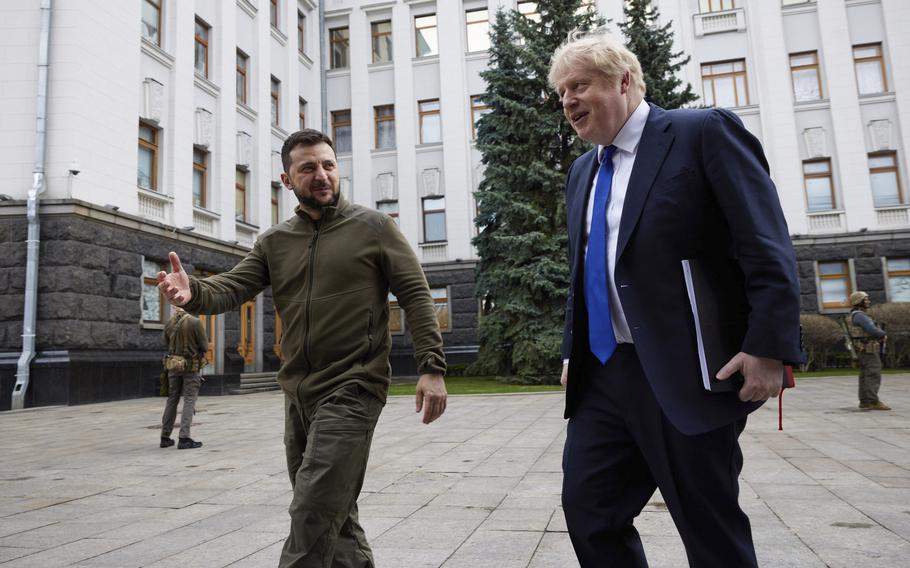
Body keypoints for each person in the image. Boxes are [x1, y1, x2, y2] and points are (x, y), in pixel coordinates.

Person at [549, 32, 803, 567]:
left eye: (580, 86)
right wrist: (574, 348)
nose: (568, 100)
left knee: (708, 525)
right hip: (604, 373)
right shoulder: (582, 172)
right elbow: (586, 270)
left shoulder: (700, 133)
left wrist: (769, 346)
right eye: (561, 91)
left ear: (623, 81)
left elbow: (764, 242)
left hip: (685, 369)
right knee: (590, 513)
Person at [156, 128, 447, 567]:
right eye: (308, 168)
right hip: (298, 394)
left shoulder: (374, 228)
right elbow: (232, 288)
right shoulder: (275, 242)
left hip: (354, 386)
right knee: (335, 513)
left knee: (312, 508)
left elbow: (416, 295)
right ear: (287, 179)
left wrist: (431, 366)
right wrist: (191, 292)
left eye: (328, 165)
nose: (322, 175)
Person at [160, 306, 208, 449]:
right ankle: (184, 437)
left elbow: (166, 343)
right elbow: (204, 346)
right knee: (189, 399)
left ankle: (165, 437)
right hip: (190, 366)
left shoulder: (169, 323)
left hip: (173, 365)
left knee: (172, 399)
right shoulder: (195, 322)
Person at [848, 291, 890, 410]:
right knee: (873, 373)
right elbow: (871, 329)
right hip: (868, 349)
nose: (868, 301)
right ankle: (873, 401)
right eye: (865, 299)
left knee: (865, 374)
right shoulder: (860, 315)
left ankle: (865, 401)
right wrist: (882, 334)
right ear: (858, 301)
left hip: (862, 349)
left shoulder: (854, 314)